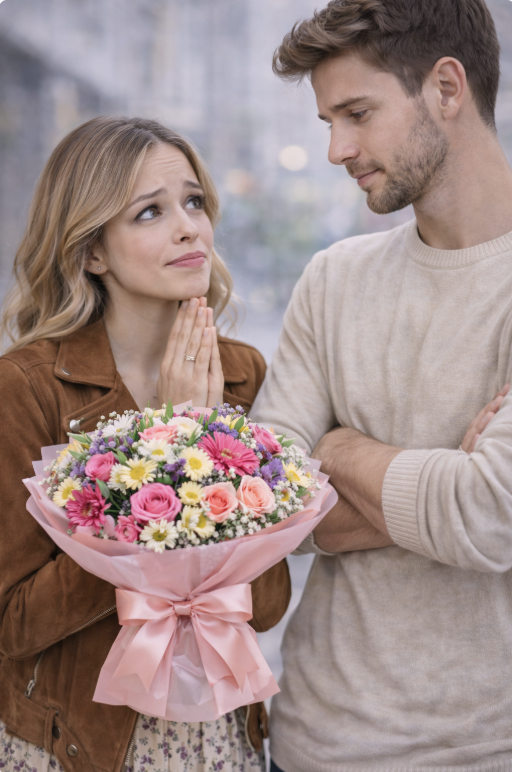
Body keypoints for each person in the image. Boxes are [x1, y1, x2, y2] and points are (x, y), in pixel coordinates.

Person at [250, 0, 512, 770]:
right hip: (311, 742)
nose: (337, 149)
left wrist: (338, 451)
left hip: (483, 749)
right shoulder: (333, 279)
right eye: (328, 121)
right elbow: (268, 506)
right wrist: (448, 477)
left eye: (357, 113)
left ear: (446, 88)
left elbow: (491, 513)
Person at [0, 117, 291, 772]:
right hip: (78, 748)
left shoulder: (242, 373)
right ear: (91, 252)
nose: (189, 228)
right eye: (150, 212)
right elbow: (14, 625)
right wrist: (167, 447)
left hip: (222, 743)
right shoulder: (27, 387)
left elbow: (268, 605)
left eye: (194, 202)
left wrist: (210, 435)